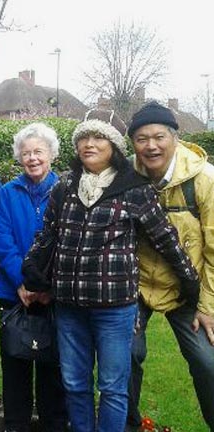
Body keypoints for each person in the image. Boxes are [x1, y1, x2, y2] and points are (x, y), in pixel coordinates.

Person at [23, 114, 200, 432]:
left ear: (114, 146)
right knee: (75, 383)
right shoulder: (65, 185)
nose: (89, 144)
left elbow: (165, 239)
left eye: (99, 138)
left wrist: (190, 282)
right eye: (83, 138)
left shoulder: (133, 187)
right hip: (69, 306)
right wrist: (32, 269)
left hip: (115, 308)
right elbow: (48, 233)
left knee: (113, 388)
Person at [126, 101, 214, 431]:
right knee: (126, 354)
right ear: (133, 143)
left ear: (175, 138)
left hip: (188, 288)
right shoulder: (125, 178)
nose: (151, 146)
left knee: (208, 362)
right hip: (137, 287)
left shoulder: (204, 180)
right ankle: (127, 425)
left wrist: (207, 306)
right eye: (141, 138)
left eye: (159, 136)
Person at [0, 122, 67, 432]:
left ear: (51, 154)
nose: (33, 158)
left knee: (53, 371)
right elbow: (2, 238)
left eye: (39, 151)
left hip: (54, 296)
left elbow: (67, 242)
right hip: (14, 293)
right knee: (15, 370)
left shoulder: (66, 189)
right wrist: (21, 282)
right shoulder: (8, 192)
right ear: (18, 158)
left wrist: (46, 287)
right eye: (26, 153)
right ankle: (15, 426)